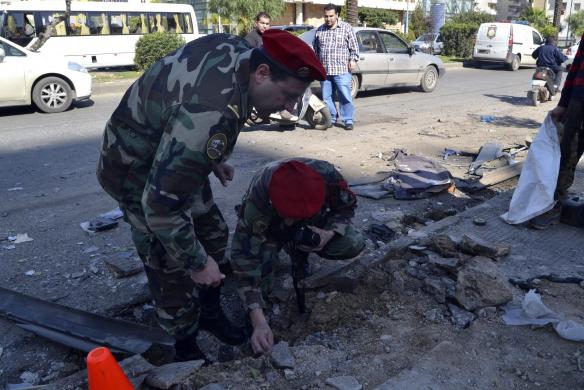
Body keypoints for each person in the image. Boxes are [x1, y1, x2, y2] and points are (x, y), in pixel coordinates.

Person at [96, 31, 326, 361]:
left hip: (174, 153)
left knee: (214, 236)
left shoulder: (245, 53)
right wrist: (196, 263)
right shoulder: (208, 115)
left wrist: (211, 159)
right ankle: (183, 346)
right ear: (262, 73)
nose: (290, 107)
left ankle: (209, 313)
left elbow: (192, 124)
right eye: (288, 95)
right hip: (135, 169)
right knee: (170, 262)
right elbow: (159, 206)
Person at [230, 158, 365, 354]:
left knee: (352, 242)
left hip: (314, 219)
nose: (291, 221)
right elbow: (243, 259)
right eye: (289, 217)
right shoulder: (257, 201)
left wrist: (328, 234)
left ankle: (300, 254)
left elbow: (346, 208)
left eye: (296, 218)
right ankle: (258, 320)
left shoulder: (328, 178)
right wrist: (257, 318)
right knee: (263, 266)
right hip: (271, 225)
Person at [529, 34, 584, 229]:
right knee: (566, 154)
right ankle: (553, 205)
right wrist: (563, 103)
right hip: (579, 102)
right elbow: (576, 67)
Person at [313, 3, 359, 130]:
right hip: (325, 71)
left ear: (337, 15)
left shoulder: (346, 28)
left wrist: (353, 60)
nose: (328, 19)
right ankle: (332, 117)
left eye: (331, 16)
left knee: (345, 96)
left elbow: (354, 48)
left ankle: (348, 120)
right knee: (327, 97)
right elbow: (316, 51)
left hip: (342, 70)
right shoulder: (320, 30)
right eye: (326, 16)